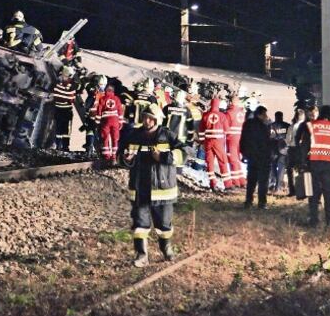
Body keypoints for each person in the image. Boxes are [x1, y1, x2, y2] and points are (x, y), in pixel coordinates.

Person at [119, 107, 185, 266]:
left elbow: (184, 152)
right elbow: (121, 156)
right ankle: (141, 255)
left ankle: (166, 249)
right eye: (144, 117)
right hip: (140, 187)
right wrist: (126, 159)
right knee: (140, 224)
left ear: (157, 120)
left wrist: (163, 157)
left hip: (163, 190)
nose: (146, 121)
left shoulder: (167, 135)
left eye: (150, 118)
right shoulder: (134, 135)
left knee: (164, 224)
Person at [306, 105, 330, 227]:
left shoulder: (312, 125)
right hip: (329, 164)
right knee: (328, 194)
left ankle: (314, 220)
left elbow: (305, 145)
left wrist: (303, 163)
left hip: (314, 163)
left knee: (313, 193)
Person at [240, 105, 272, 209]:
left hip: (251, 157)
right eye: (265, 114)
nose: (266, 116)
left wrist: (244, 154)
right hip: (263, 157)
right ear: (260, 115)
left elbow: (243, 140)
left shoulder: (247, 124)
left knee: (251, 181)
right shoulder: (264, 126)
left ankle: (248, 201)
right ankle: (262, 203)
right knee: (263, 181)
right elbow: (267, 142)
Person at [199, 95, 230, 192]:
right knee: (223, 162)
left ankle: (212, 183)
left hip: (208, 142)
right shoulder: (222, 116)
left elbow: (201, 130)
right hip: (218, 142)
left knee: (210, 163)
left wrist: (202, 142)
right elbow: (227, 130)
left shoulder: (205, 115)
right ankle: (228, 185)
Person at [51, 68, 77, 151]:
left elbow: (54, 94)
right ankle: (65, 147)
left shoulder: (57, 85)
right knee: (65, 130)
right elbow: (72, 99)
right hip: (66, 111)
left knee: (59, 129)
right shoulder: (73, 87)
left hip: (59, 110)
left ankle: (58, 146)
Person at [96, 87, 123, 164]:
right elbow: (120, 111)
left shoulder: (102, 99)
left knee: (105, 138)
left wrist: (97, 122)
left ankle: (107, 157)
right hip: (115, 121)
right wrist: (120, 122)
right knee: (115, 139)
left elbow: (99, 110)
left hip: (105, 121)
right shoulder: (116, 99)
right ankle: (114, 157)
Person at [224, 93, 245, 190]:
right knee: (237, 159)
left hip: (231, 138)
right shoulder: (242, 113)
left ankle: (235, 181)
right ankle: (241, 180)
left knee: (232, 159)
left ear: (231, 102)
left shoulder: (229, 113)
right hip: (240, 137)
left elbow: (226, 127)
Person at [285, 107, 307, 196]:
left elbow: (288, 140)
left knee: (290, 170)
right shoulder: (306, 126)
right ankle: (303, 190)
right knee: (303, 170)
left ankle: (292, 190)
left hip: (292, 149)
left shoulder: (292, 127)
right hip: (302, 150)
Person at [269, 111, 291, 193]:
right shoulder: (287, 126)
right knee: (281, 168)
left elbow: (269, 137)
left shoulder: (271, 126)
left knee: (273, 167)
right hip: (283, 149)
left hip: (273, 149)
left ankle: (273, 184)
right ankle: (277, 187)